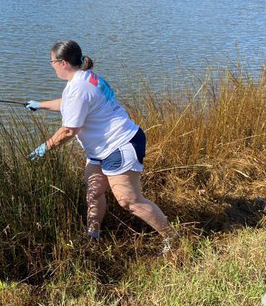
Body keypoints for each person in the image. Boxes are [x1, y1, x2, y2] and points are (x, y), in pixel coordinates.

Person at [27, 40, 180, 256]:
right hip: (101, 149)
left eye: (52, 62)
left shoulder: (77, 88)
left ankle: (173, 239)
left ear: (62, 63)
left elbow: (69, 130)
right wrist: (40, 105)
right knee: (94, 191)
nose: (51, 65)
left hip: (119, 144)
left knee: (130, 201)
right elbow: (68, 103)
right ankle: (93, 237)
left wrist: (43, 148)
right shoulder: (86, 78)